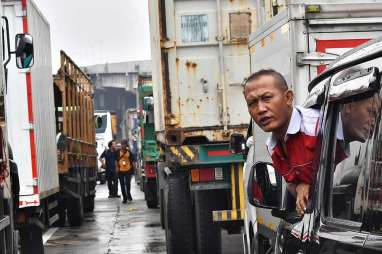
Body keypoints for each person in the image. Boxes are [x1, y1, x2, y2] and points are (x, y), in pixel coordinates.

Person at [244, 69, 321, 216]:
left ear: (288, 97)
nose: (260, 109)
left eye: (267, 98)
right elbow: (293, 185)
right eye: (252, 103)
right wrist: (301, 187)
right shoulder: (272, 145)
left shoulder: (317, 126)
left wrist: (309, 184)